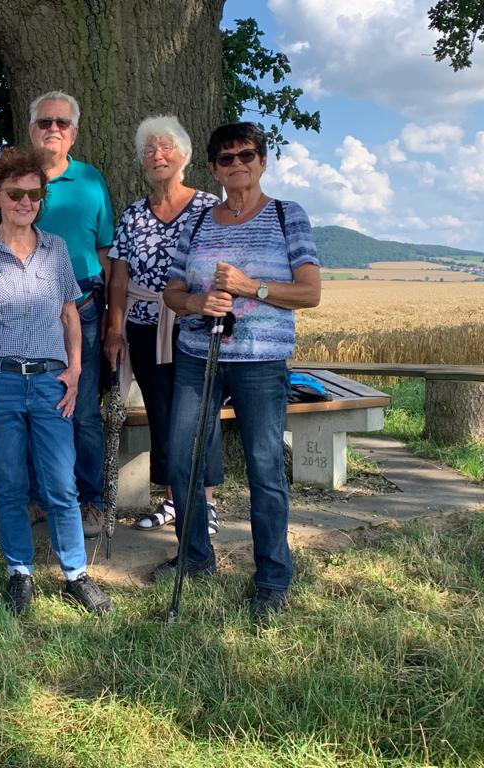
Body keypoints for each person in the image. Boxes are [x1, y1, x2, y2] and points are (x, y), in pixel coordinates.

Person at [159, 122, 321, 624]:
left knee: (264, 468)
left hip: (260, 362)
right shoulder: (196, 223)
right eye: (226, 158)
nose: (237, 165)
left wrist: (252, 287)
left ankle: (272, 576)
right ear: (213, 169)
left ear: (263, 161)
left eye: (246, 155)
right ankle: (195, 557)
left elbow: (310, 292)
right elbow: (172, 292)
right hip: (198, 354)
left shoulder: (287, 215)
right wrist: (197, 302)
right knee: (182, 460)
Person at [0, 146, 112, 615]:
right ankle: (18, 571)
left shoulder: (56, 249)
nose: (25, 201)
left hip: (49, 383)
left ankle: (75, 574)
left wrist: (75, 370)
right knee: (10, 484)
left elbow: (70, 314)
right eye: (15, 193)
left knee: (61, 484)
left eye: (34, 194)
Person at [0, 90, 115, 537]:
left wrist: (113, 319)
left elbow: (105, 251)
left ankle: (90, 500)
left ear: (74, 132)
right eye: (44, 122)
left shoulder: (90, 180)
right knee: (23, 403)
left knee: (81, 409)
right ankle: (34, 498)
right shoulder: (7, 182)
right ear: (31, 129)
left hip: (81, 308)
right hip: (15, 313)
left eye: (62, 123)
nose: (53, 128)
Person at [104, 115, 223, 534]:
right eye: (150, 149)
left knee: (200, 413)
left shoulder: (209, 207)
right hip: (142, 326)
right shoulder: (133, 214)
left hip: (193, 326)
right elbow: (118, 279)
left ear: (184, 155)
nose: (158, 155)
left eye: (166, 146)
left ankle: (205, 503)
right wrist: (114, 330)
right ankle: (174, 500)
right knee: (163, 412)